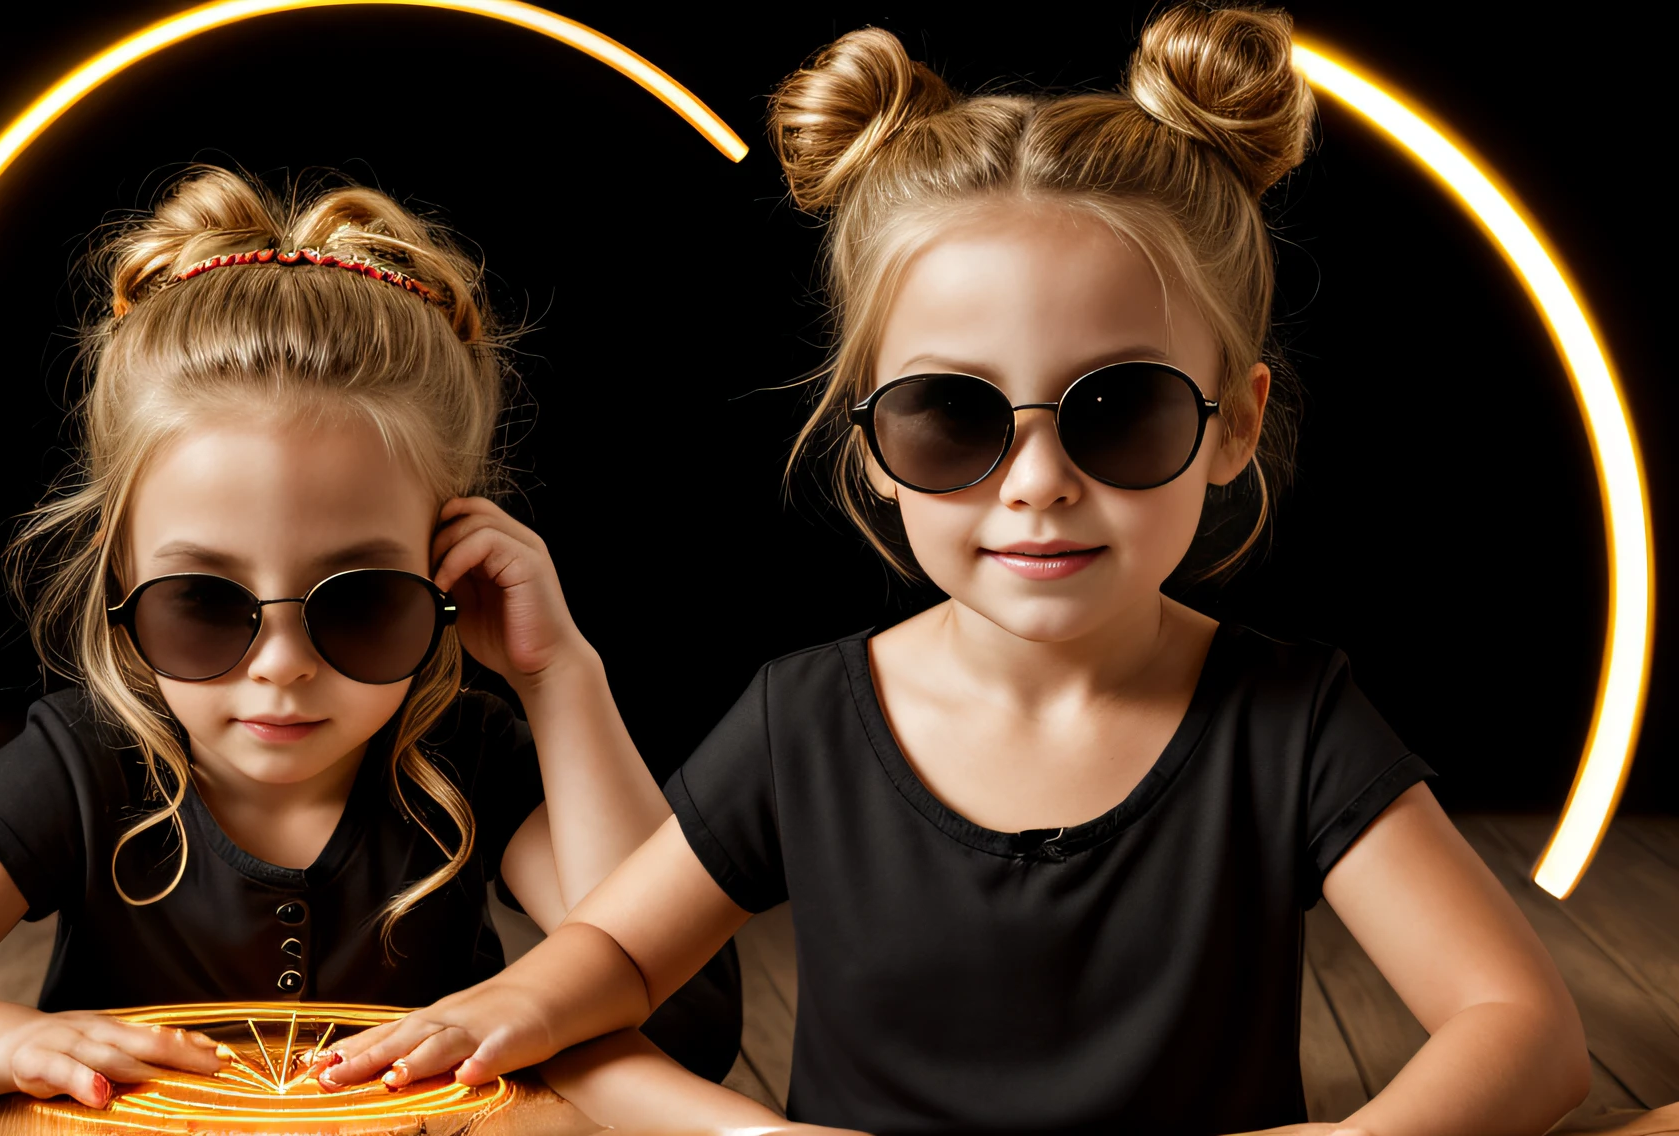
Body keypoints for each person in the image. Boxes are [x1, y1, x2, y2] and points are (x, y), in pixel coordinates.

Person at [315, 7, 1593, 1134]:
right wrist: (529, 1013)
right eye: (953, 418)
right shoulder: (805, 715)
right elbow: (609, 962)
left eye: (1120, 412)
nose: (1036, 480)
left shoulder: (1289, 719)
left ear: (1234, 424)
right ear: (867, 438)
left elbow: (1522, 1029)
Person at [0, 166, 741, 1120]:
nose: (281, 662)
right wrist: (10, 1044)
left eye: (356, 602)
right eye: (205, 602)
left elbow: (683, 1013)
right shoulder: (85, 764)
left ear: (447, 573)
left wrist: (558, 673)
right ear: (122, 579)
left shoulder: (468, 758)